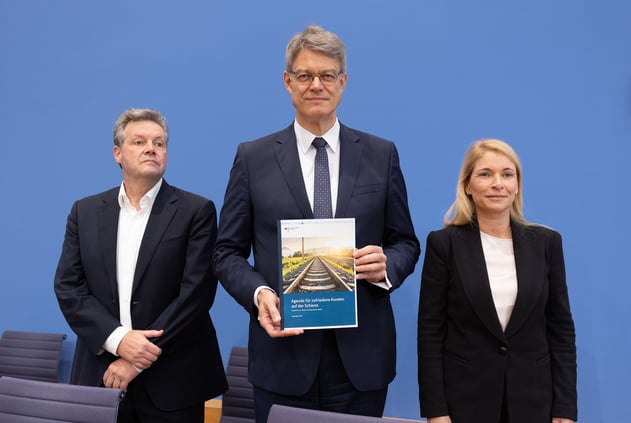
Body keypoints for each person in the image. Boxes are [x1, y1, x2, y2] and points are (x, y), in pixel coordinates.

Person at [212, 25, 420, 422]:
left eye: (327, 75)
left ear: (343, 82)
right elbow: (226, 253)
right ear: (287, 82)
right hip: (283, 355)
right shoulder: (253, 158)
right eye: (305, 75)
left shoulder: (381, 154)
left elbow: (405, 242)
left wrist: (386, 267)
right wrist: (259, 294)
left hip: (361, 360)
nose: (316, 85)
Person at [54, 108, 227, 422]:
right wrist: (119, 340)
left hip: (174, 379)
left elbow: (196, 294)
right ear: (117, 154)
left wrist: (136, 359)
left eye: (159, 143)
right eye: (139, 142)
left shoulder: (196, 211)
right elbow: (69, 288)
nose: (151, 149)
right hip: (101, 375)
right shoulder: (85, 212)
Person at [417, 139, 577, 423]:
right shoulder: (444, 244)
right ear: (467, 185)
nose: (497, 184)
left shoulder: (547, 243)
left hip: (534, 402)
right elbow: (430, 333)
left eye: (507, 174)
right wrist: (436, 411)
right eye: (485, 174)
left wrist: (564, 407)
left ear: (517, 185)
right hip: (465, 402)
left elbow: (561, 331)